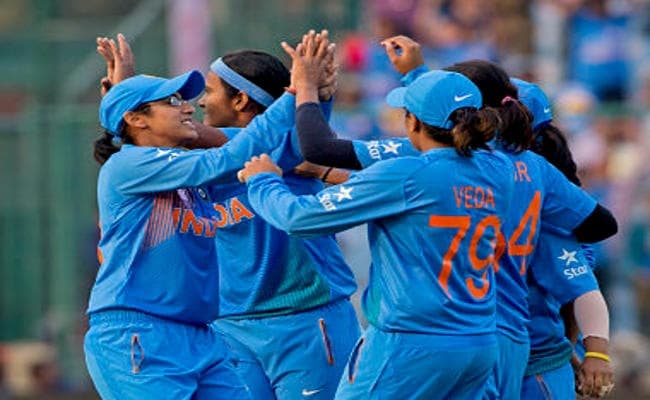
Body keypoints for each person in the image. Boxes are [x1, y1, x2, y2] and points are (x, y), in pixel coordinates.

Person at [291, 35, 617, 399]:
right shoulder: (535, 172)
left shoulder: (445, 158)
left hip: (448, 332)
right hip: (509, 336)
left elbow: (325, 151)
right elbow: (601, 226)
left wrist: (306, 88)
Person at [240, 42, 515, 398]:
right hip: (477, 343)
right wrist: (329, 173)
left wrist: (263, 180)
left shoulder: (405, 173)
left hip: (411, 344)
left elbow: (299, 218)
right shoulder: (498, 168)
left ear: (412, 122)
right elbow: (427, 190)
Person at [96, 31, 361, 399]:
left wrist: (314, 93)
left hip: (305, 318)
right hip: (225, 325)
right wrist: (127, 96)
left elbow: (298, 139)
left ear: (240, 98)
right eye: (175, 101)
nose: (196, 103)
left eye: (208, 91)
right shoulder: (187, 163)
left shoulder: (280, 150)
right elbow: (157, 145)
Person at [86, 68, 298, 399]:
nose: (187, 108)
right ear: (136, 119)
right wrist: (296, 93)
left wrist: (318, 98)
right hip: (138, 330)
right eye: (172, 102)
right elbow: (232, 156)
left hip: (199, 335)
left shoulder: (185, 173)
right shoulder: (127, 165)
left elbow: (287, 152)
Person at [514, 78, 613, 399]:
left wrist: (594, 354)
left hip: (534, 367)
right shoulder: (522, 178)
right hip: (510, 358)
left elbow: (579, 290)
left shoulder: (536, 197)